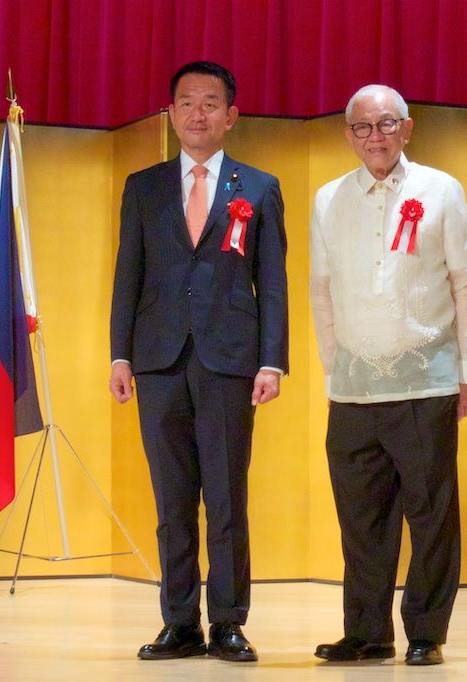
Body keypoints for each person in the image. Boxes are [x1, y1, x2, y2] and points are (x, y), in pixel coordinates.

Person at [109, 61, 288, 663]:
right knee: (172, 501)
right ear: (170, 113)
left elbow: (273, 282)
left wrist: (273, 362)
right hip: (158, 361)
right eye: (186, 102)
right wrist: (121, 353)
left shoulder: (258, 187)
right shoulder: (144, 185)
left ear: (231, 116)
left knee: (227, 498)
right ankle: (179, 621)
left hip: (230, 363)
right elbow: (127, 277)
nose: (198, 113)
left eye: (211, 103)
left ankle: (229, 623)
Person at [309, 84, 467, 666]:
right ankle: (366, 631)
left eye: (386, 124)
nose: (374, 136)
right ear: (348, 134)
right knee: (361, 519)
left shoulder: (441, 189)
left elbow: (465, 282)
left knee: (431, 515)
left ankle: (425, 633)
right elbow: (322, 290)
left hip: (426, 381)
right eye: (362, 127)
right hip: (353, 388)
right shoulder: (328, 198)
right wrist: (337, 365)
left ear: (407, 128)